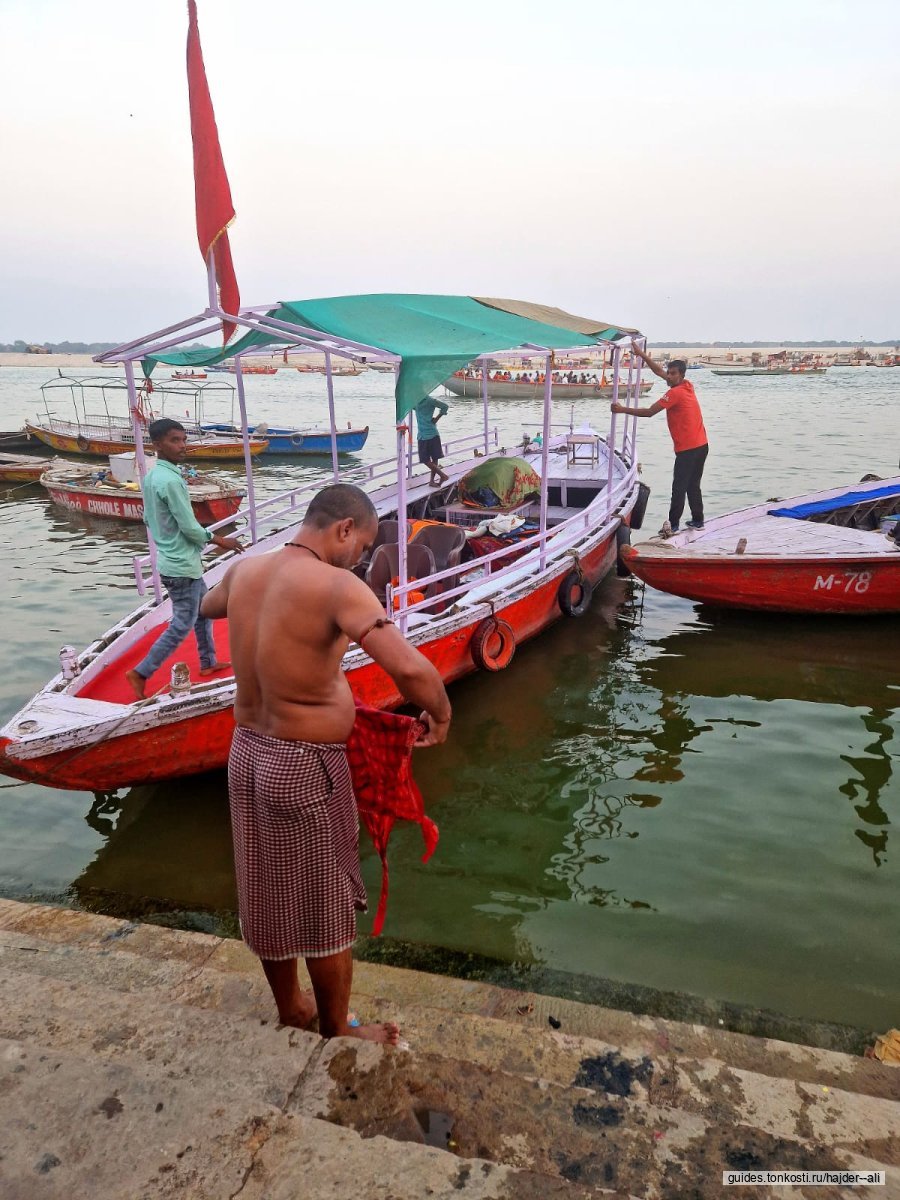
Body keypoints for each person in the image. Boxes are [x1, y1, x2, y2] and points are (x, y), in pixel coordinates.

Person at [199, 483, 452, 1044]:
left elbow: (208, 604)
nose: (360, 559)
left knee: (266, 889)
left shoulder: (245, 573)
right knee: (325, 901)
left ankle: (291, 1006)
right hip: (303, 764)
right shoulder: (339, 586)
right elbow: (410, 672)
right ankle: (338, 1028)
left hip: (247, 754)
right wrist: (442, 711)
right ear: (343, 529)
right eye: (361, 547)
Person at [125, 418, 243, 699]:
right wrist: (220, 540)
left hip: (173, 560)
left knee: (203, 612)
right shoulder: (170, 480)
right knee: (182, 623)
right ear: (158, 444)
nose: (181, 446)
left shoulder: (153, 476)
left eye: (183, 440)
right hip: (181, 566)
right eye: (174, 441)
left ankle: (208, 661)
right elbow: (190, 527)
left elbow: (148, 518)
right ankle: (141, 671)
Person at [611, 342, 709, 536]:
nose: (669, 376)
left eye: (673, 374)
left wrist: (622, 410)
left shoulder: (675, 393)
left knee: (679, 488)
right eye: (669, 373)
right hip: (702, 445)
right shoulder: (687, 385)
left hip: (689, 449)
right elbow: (658, 372)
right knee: (692, 485)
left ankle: (673, 525)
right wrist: (642, 355)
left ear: (681, 375)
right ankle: (698, 520)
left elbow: (649, 412)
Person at [415, 395, 450, 487]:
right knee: (433, 459)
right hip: (424, 434)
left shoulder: (429, 400)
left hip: (430, 434)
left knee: (425, 459)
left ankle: (442, 475)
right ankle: (432, 481)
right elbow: (410, 408)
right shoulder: (415, 401)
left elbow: (445, 406)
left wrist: (437, 418)